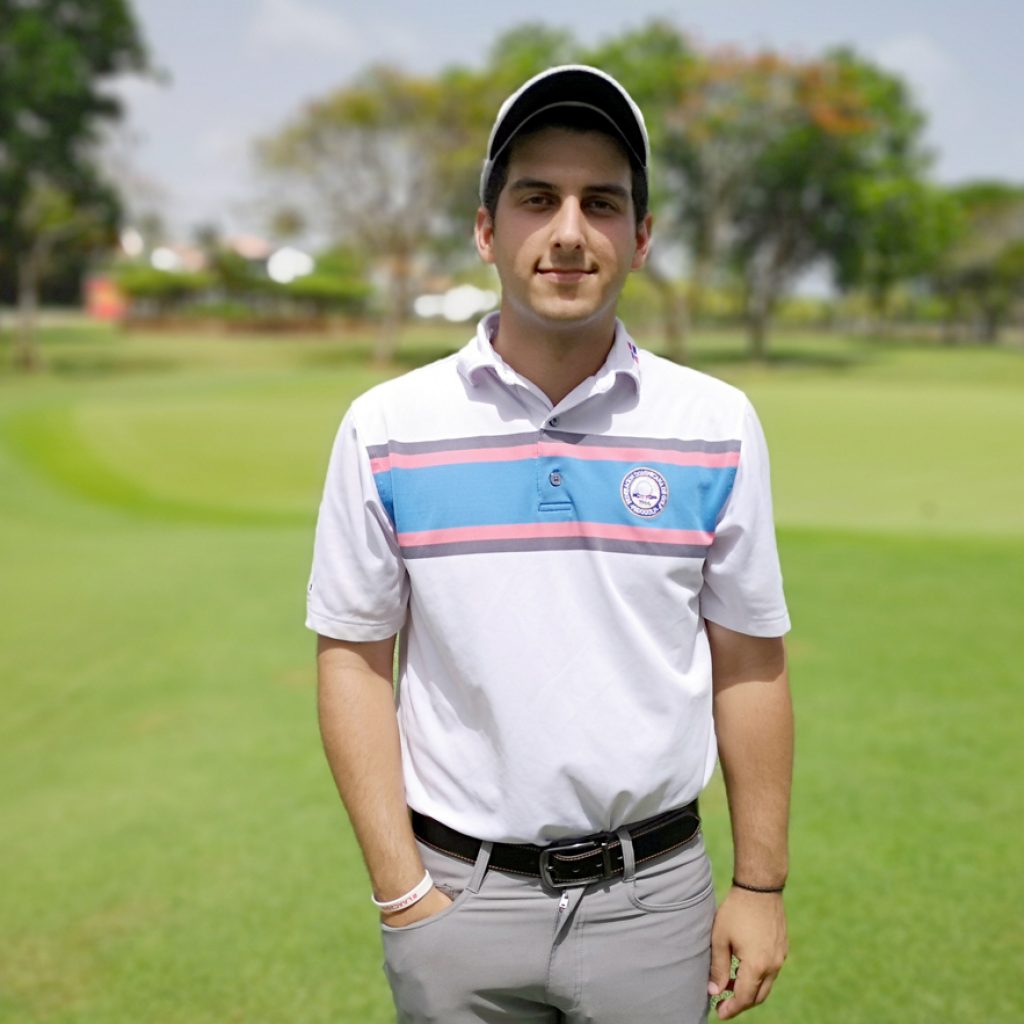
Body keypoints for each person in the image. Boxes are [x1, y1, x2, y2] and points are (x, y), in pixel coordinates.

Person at [307, 65, 793, 1024]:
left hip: (655, 902)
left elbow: (749, 659)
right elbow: (354, 658)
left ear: (641, 238)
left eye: (601, 203)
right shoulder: (387, 425)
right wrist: (404, 890)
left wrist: (761, 886)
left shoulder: (716, 423)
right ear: (488, 230)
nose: (569, 231)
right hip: (457, 900)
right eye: (539, 198)